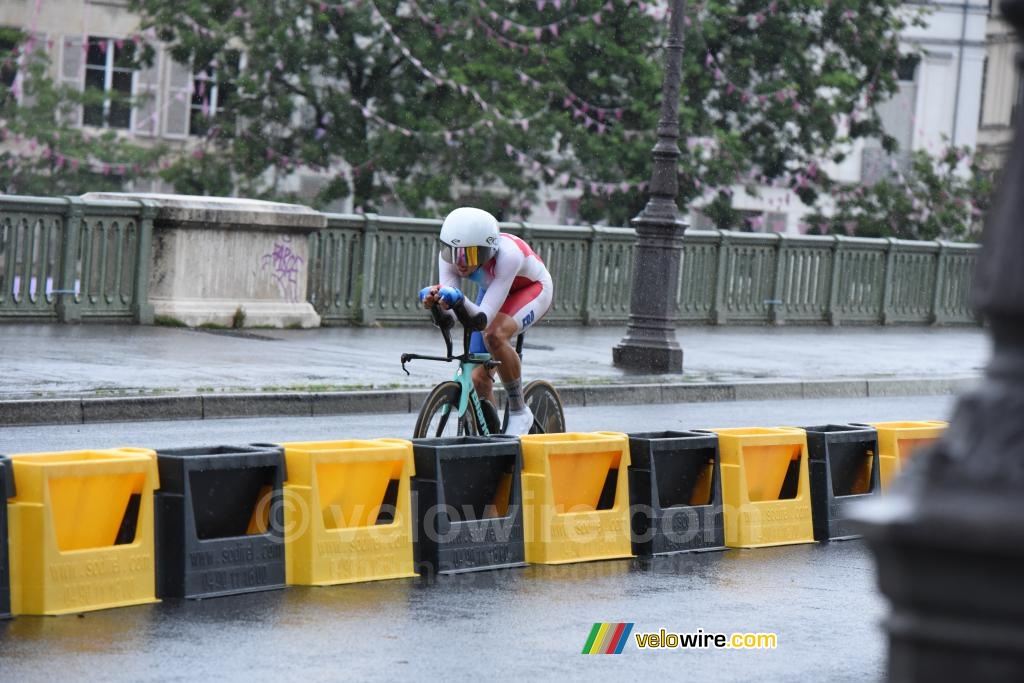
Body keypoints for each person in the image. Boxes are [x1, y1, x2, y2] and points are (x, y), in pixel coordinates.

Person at [418, 207, 553, 435]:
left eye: (468, 255)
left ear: (488, 250)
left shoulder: (508, 257)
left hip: (532, 289)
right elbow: (452, 318)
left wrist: (458, 299)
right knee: (478, 378)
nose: (460, 262)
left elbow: (482, 319)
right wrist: (435, 304)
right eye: (454, 253)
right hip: (494, 290)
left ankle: (520, 411)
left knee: (494, 334)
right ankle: (492, 437)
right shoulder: (448, 257)